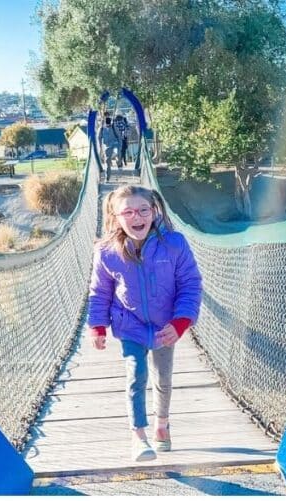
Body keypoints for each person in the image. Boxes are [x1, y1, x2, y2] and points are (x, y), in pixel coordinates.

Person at [86, 185, 203, 461]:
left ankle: (162, 425)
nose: (136, 217)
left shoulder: (174, 244)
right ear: (115, 216)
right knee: (136, 375)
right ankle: (138, 436)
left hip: (166, 326)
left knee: (163, 378)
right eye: (127, 212)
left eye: (143, 210)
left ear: (154, 211)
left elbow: (190, 284)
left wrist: (181, 321)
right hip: (130, 325)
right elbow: (99, 291)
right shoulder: (106, 252)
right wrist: (97, 326)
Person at [99, 116, 119, 182]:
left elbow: (118, 136)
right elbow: (99, 137)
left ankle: (116, 157)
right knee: (107, 163)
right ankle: (107, 177)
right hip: (107, 147)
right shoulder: (102, 129)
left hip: (114, 145)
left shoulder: (113, 127)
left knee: (115, 153)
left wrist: (120, 145)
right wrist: (100, 147)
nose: (108, 124)